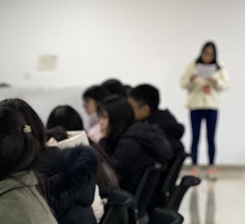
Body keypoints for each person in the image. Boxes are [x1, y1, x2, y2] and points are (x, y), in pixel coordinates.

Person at [98, 94, 173, 195]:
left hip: (127, 199)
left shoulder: (131, 142)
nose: (101, 122)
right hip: (135, 197)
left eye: (105, 117)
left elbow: (110, 174)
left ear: (116, 118)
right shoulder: (138, 134)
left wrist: (102, 143)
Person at [179, 41, 229, 180]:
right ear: (201, 53)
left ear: (215, 55)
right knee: (195, 138)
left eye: (211, 54)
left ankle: (211, 167)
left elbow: (225, 86)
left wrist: (216, 81)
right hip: (196, 106)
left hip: (212, 106)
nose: (207, 57)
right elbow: (183, 83)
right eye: (205, 53)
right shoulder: (192, 66)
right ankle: (194, 166)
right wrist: (191, 78)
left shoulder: (219, 69)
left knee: (211, 138)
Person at [128, 84, 185, 161]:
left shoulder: (148, 133)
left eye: (131, 107)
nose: (127, 110)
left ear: (145, 110)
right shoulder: (165, 125)